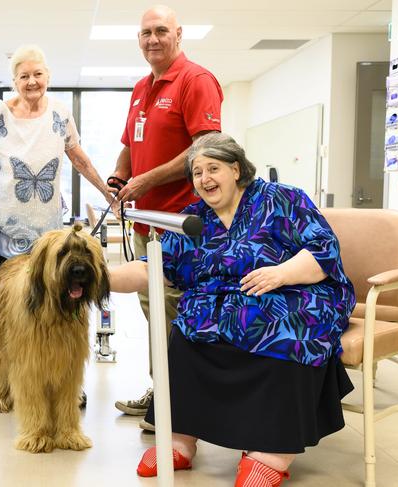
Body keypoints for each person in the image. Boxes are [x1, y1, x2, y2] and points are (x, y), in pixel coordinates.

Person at [109, 132, 355, 485]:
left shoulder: (280, 199)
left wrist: (281, 273)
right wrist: (97, 278)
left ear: (236, 169)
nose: (205, 179)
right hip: (228, 302)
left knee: (284, 327)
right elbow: (154, 268)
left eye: (213, 168)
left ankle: (271, 450)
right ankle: (180, 438)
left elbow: (323, 250)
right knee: (189, 325)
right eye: (197, 172)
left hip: (294, 291)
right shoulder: (193, 219)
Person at [110, 5, 223, 424]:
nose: (152, 39)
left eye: (161, 31)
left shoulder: (196, 80)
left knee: (178, 312)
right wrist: (121, 176)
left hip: (181, 223)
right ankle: (166, 391)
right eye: (145, 33)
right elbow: (129, 143)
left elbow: (206, 147)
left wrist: (147, 180)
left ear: (179, 35)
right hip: (145, 221)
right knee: (153, 311)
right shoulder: (142, 86)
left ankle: (182, 403)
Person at [0, 44, 116, 292]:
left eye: (37, 74)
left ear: (48, 76)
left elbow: (80, 160)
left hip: (46, 230)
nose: (32, 81)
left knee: (43, 298)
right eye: (24, 76)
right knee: (1, 298)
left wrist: (108, 194)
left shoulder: (60, 113)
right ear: (14, 81)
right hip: (2, 225)